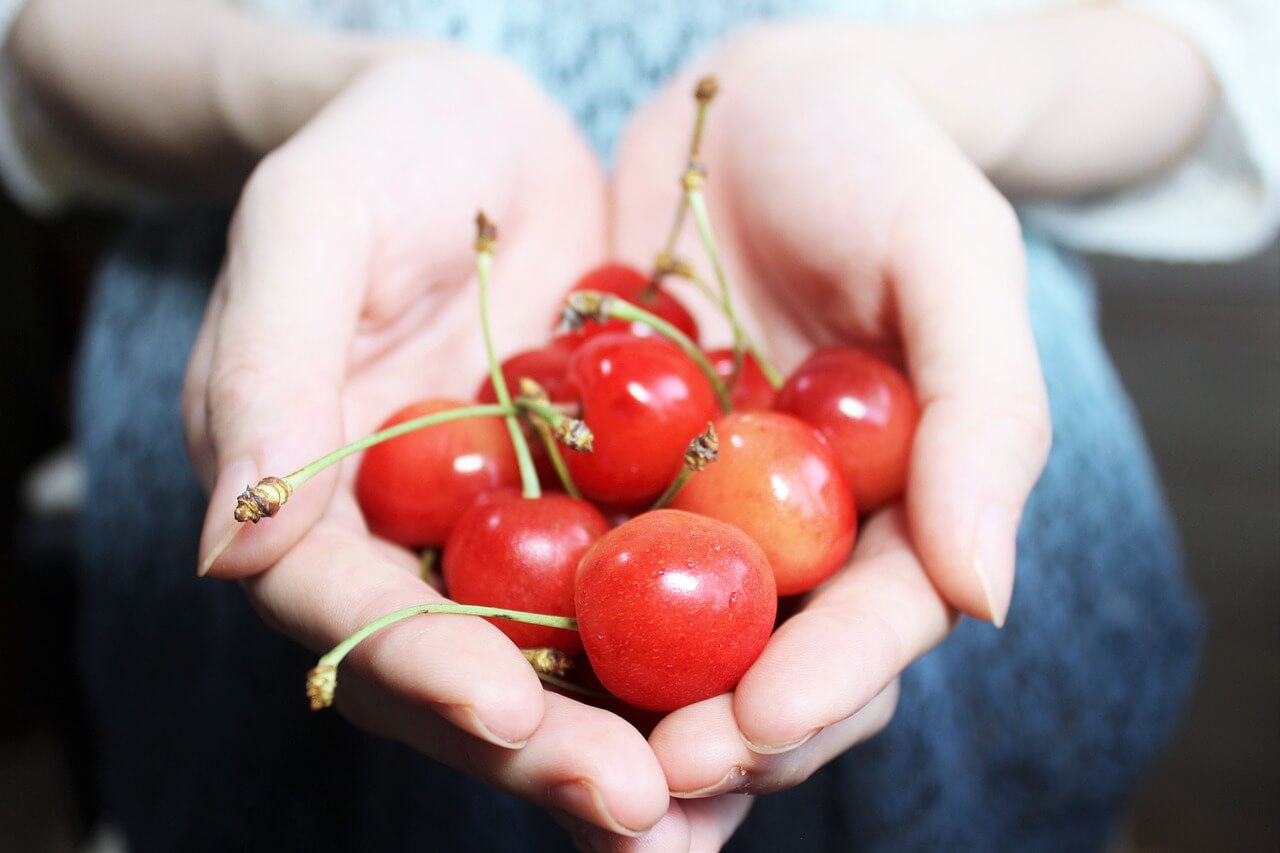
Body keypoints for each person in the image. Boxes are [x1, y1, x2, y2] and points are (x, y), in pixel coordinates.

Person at [2, 1, 1276, 850]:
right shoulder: (561, 419)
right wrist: (321, 86)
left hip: (867, 265)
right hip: (364, 295)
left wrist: (885, 85)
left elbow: (1197, 37)